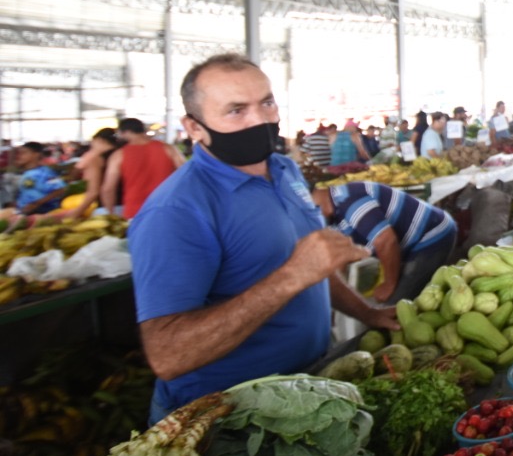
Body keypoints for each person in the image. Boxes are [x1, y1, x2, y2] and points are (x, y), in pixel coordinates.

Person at [128, 53, 396, 422]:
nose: (261, 119)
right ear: (194, 127)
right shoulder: (177, 211)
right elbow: (168, 355)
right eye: (236, 110)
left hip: (308, 384)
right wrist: (291, 277)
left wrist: (368, 313)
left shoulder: (284, 170)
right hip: (225, 418)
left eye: (266, 102)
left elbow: (312, 265)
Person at [311, 181, 457, 304]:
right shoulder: (328, 220)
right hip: (410, 244)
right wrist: (338, 299)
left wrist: (389, 284)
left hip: (432, 234)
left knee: (396, 304)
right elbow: (340, 258)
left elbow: (387, 241)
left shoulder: (347, 200)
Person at [101, 118, 185, 218]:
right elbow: (187, 175)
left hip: (135, 212)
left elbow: (108, 189)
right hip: (167, 209)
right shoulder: (168, 148)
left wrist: (111, 214)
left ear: (125, 132)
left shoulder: (119, 155)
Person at [64, 128, 119, 219]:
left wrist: (75, 214)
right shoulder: (123, 153)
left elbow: (93, 192)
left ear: (99, 140)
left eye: (93, 142)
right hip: (134, 206)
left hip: (107, 208)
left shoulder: (95, 159)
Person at [13, 142, 67, 215]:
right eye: (19, 153)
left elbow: (60, 190)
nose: (19, 156)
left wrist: (36, 204)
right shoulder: (26, 173)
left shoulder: (46, 172)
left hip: (43, 215)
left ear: (36, 155)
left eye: (24, 153)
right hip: (24, 214)